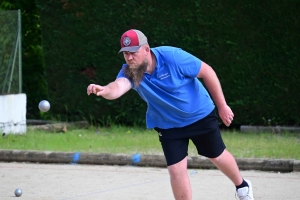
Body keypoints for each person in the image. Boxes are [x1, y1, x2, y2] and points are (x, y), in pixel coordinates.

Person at [87, 29, 254, 200]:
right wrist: (105, 90)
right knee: (176, 170)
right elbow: (118, 87)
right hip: (168, 123)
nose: (129, 58)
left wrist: (222, 106)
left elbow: (207, 71)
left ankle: (242, 187)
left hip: (199, 115)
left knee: (216, 155)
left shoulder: (172, 57)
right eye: (126, 54)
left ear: (146, 49)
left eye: (133, 52)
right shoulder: (131, 71)